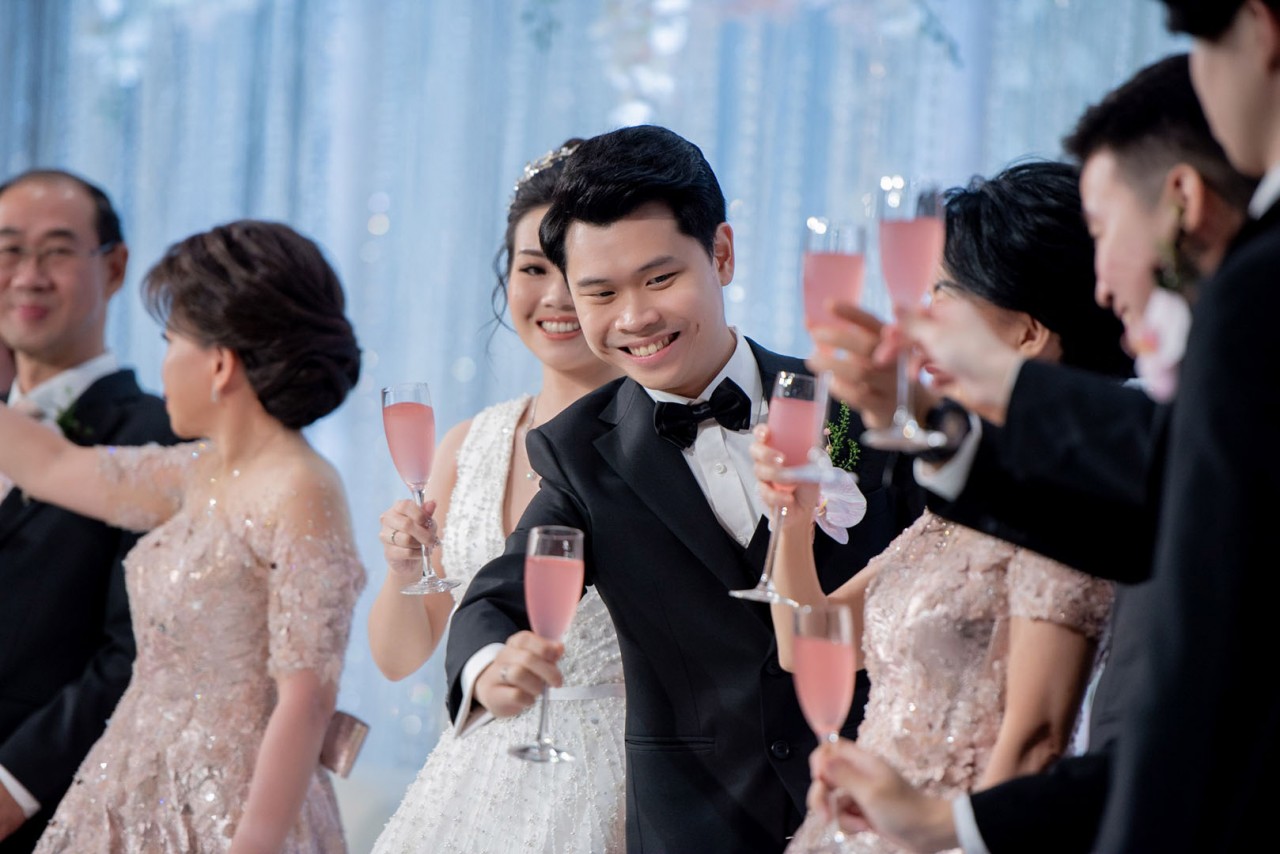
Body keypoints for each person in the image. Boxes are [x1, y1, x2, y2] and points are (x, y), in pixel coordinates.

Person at [798, 46, 1262, 853]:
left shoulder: (1220, 389)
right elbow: (809, 628)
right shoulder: (971, 480)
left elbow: (1046, 737)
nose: (1104, 282)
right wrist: (798, 505)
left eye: (1102, 229)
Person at [442, 124, 924, 853]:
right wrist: (490, 666)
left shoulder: (853, 405)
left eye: (660, 279)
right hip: (694, 826)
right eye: (601, 293)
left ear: (721, 254)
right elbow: (498, 595)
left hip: (875, 807)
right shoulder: (578, 451)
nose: (635, 317)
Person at [756, 161, 1125, 854]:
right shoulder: (966, 497)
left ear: (1028, 332)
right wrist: (793, 517)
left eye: (943, 295)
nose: (917, 324)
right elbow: (809, 647)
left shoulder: (1067, 506)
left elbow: (1036, 742)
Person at [0, 219, 366, 853]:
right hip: (132, 783)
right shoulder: (195, 472)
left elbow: (305, 701)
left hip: (234, 807)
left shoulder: (302, 487)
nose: (163, 364)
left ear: (220, 364)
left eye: (170, 342)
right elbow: (53, 467)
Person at [367, 140, 628, 853]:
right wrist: (403, 571)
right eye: (533, 269)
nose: (555, 297)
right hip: (471, 782)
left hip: (612, 780)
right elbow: (398, 658)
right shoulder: (468, 444)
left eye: (577, 273)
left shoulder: (660, 442)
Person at [0, 169, 178, 854]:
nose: (28, 276)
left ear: (115, 266)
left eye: (56, 251)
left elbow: (140, 650)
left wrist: (13, 785)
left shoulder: (158, 439)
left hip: (50, 813)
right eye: (9, 251)